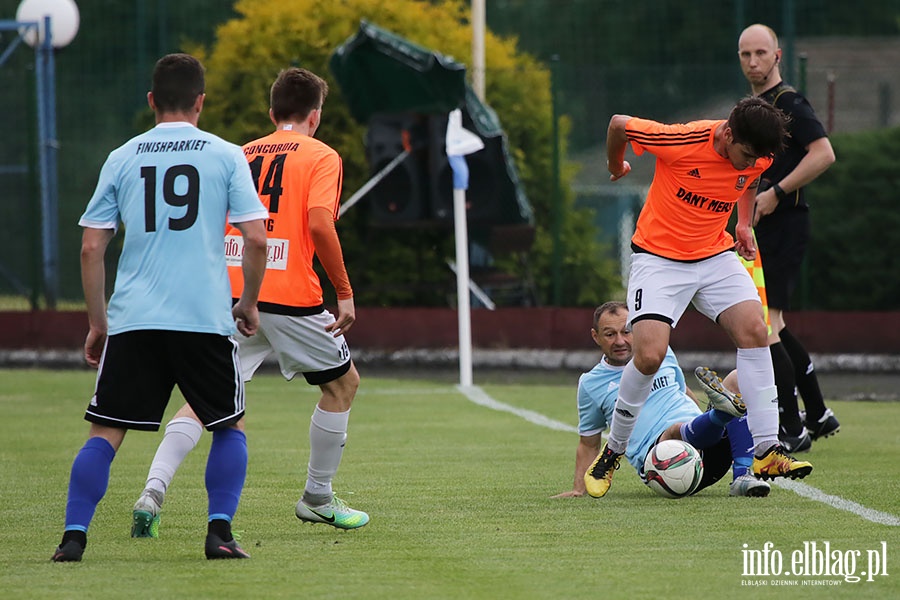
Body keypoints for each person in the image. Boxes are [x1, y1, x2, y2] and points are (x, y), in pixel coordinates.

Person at [130, 66, 368, 538]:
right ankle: (317, 497)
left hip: (232, 293)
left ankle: (151, 492)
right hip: (288, 295)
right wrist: (343, 292)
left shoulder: (240, 152)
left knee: (202, 399)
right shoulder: (321, 155)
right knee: (342, 386)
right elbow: (321, 224)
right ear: (314, 116)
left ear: (272, 112)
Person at [51, 54, 269, 562]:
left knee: (106, 431)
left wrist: (98, 323)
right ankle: (219, 534)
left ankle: (73, 537)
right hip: (204, 319)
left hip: (133, 320)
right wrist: (249, 302)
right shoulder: (226, 155)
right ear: (201, 102)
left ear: (151, 101)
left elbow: (90, 248)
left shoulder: (122, 156)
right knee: (228, 425)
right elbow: (256, 240)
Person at [585, 97, 814, 498]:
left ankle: (766, 449)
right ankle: (613, 451)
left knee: (755, 332)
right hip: (659, 259)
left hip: (714, 254)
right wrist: (615, 165)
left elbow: (750, 180)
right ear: (727, 133)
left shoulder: (756, 157)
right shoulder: (681, 139)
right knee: (650, 355)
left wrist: (743, 224)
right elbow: (618, 122)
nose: (747, 165)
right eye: (743, 155)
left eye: (755, 159)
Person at [737, 24, 840, 452]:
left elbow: (824, 153)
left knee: (767, 325)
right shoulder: (754, 107)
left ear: (778, 55)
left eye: (761, 53)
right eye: (745, 54)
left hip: (785, 223)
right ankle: (815, 412)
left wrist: (777, 193)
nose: (753, 62)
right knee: (773, 322)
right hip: (764, 225)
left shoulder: (788, 102)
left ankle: (791, 427)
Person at [552, 302, 771, 499]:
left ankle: (743, 477)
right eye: (610, 334)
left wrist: (700, 417)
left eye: (627, 331)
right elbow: (588, 442)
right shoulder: (591, 384)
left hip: (710, 449)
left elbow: (683, 391)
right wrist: (579, 489)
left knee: (740, 378)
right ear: (595, 336)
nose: (620, 341)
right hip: (664, 465)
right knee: (675, 431)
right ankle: (722, 413)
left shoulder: (661, 352)